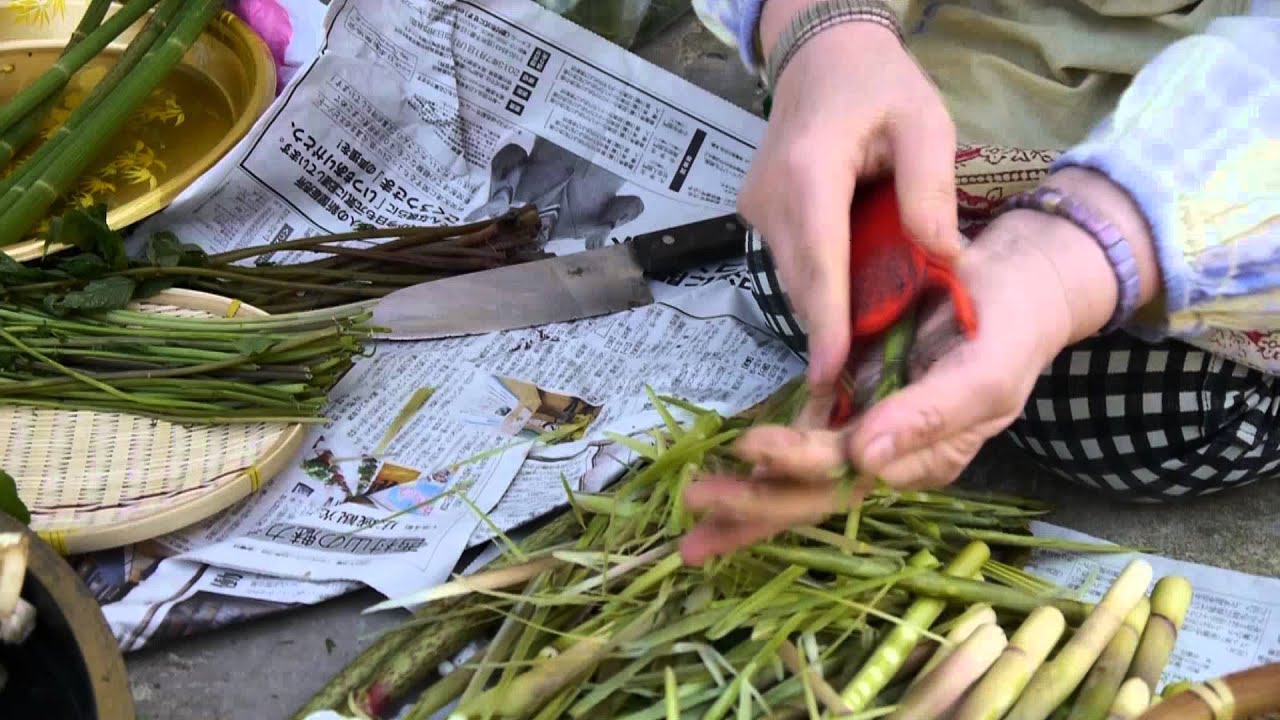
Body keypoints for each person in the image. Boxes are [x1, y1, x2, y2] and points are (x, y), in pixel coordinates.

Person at [678, 0, 1280, 565]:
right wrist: (824, 35)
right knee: (805, 249)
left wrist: (1059, 266)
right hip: (978, 59)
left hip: (1213, 141)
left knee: (1168, 414)